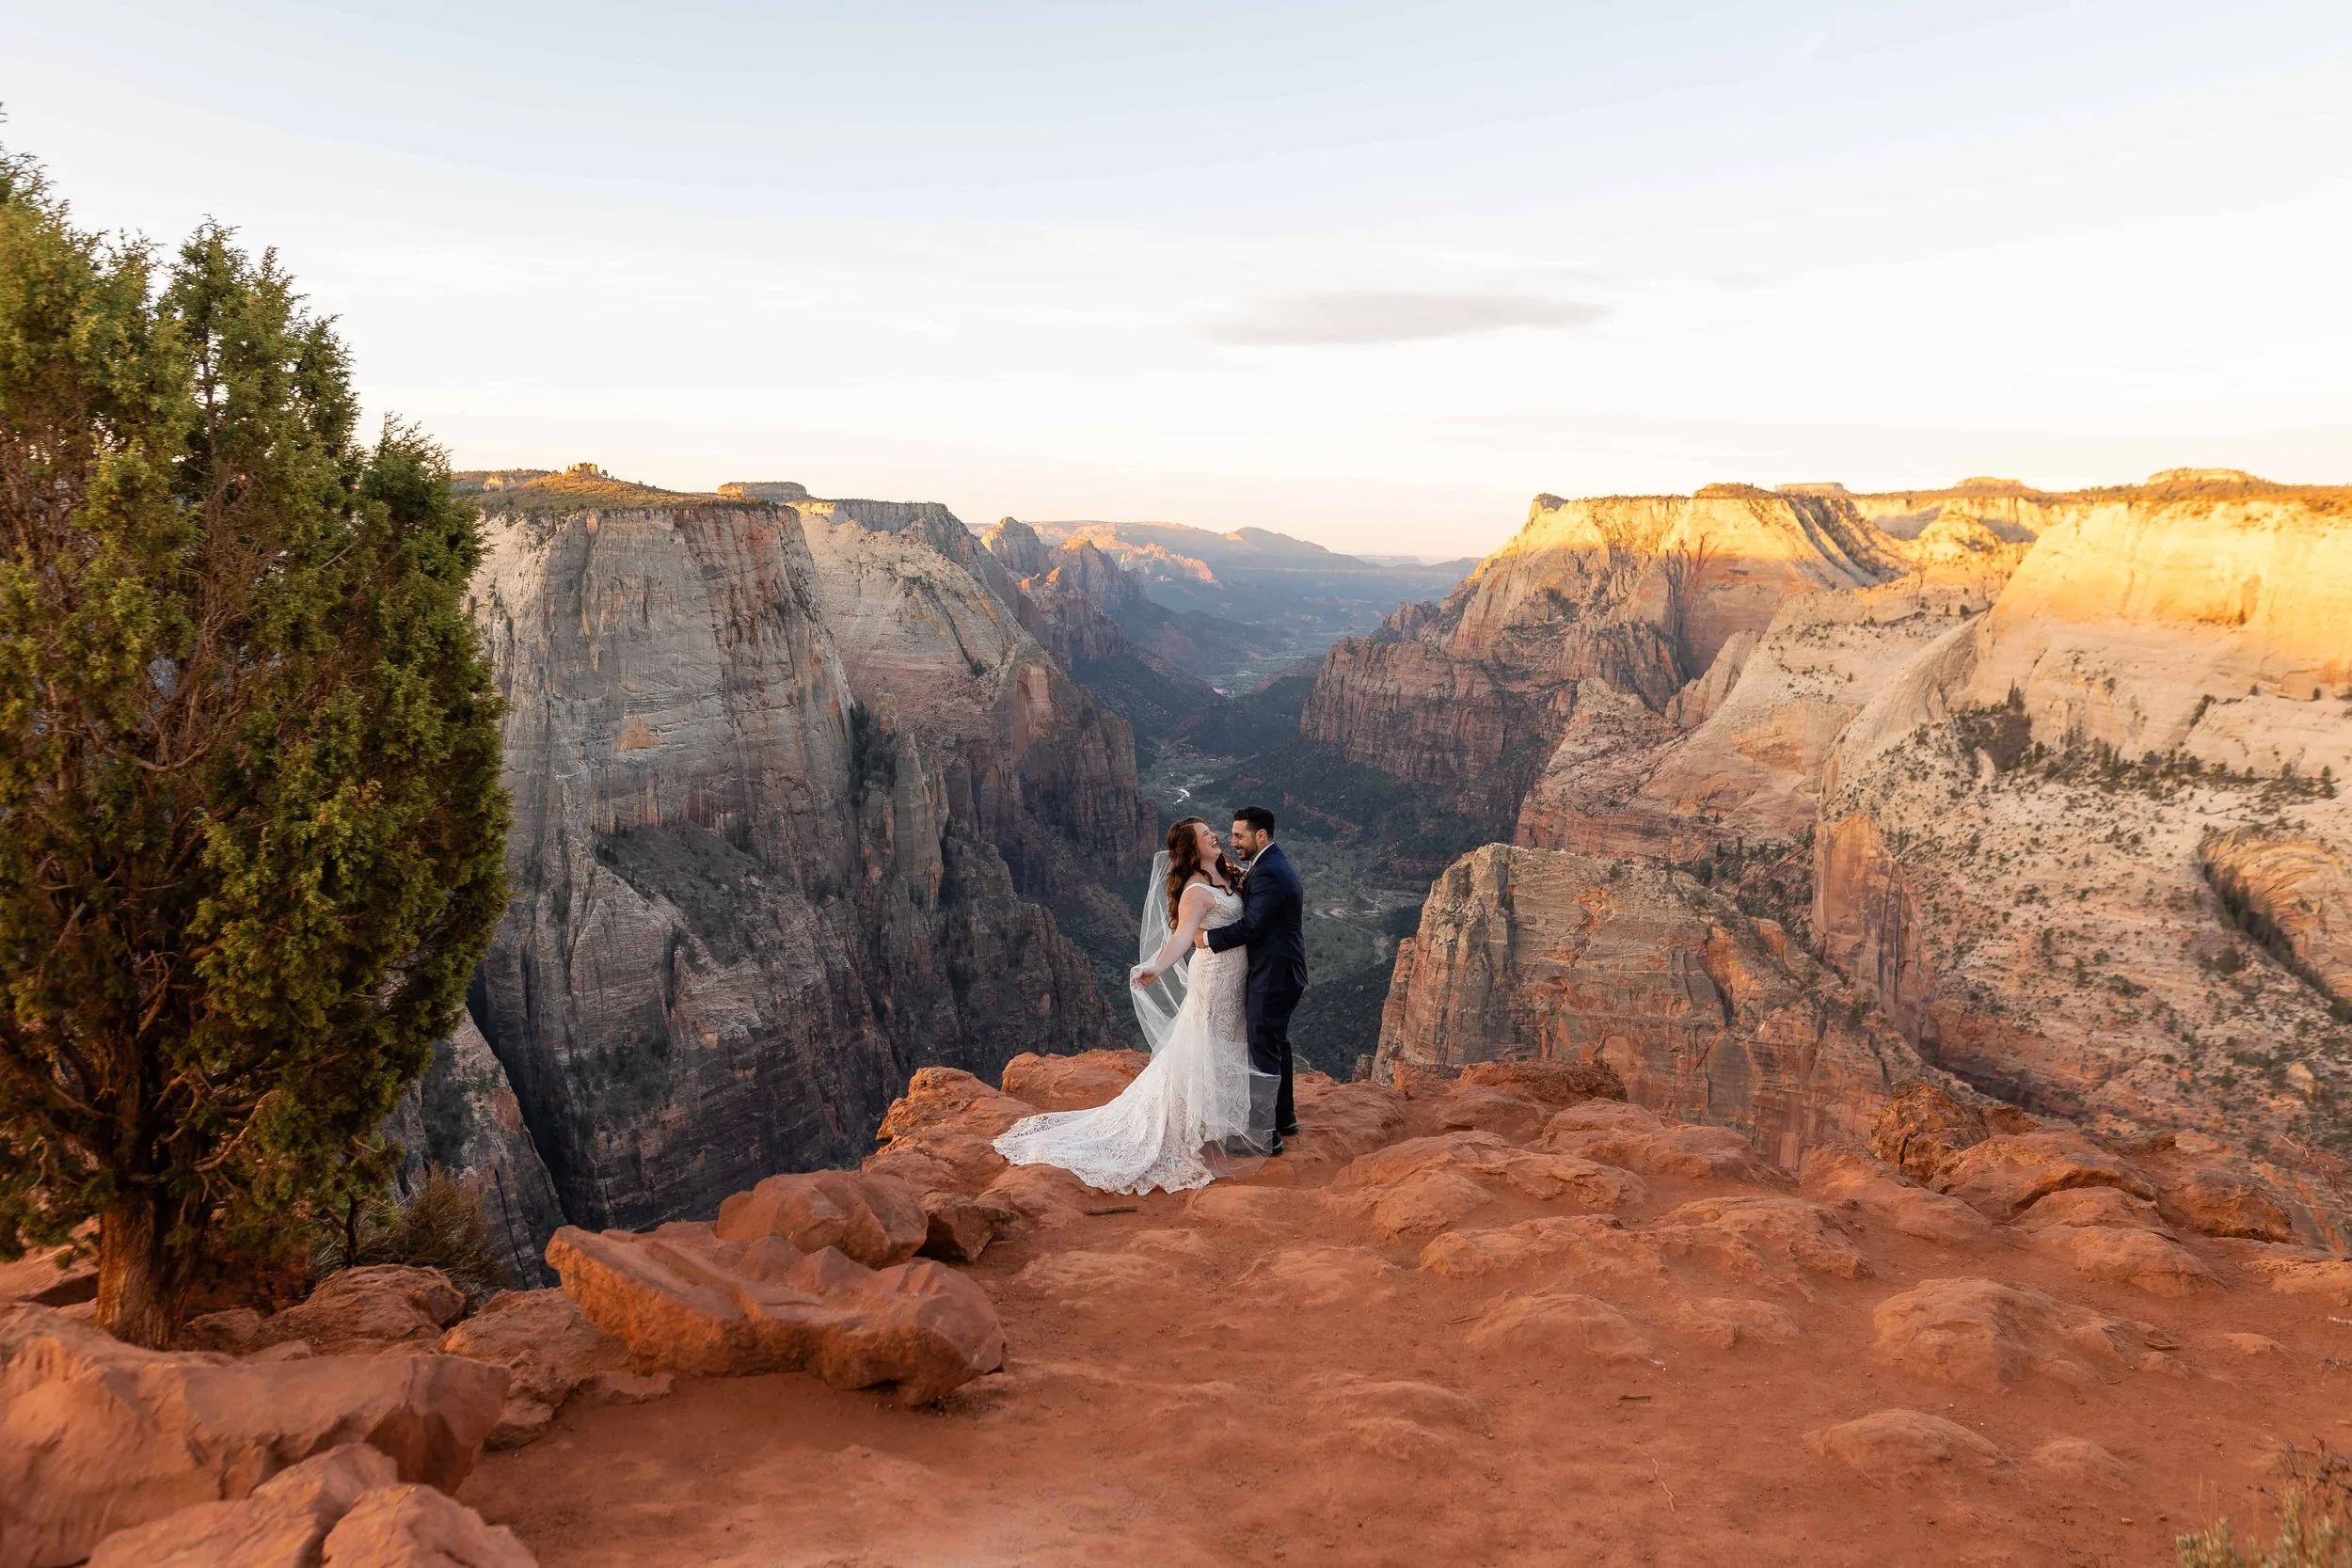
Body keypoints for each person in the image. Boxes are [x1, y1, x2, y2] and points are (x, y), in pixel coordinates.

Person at [991, 817, 1268, 1193]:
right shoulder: (1196, 891)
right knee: (1205, 1042)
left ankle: (1213, 1121)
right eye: (1206, 835)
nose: (1214, 836)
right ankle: (1187, 1126)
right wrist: (1155, 967)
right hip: (1215, 977)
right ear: (1192, 848)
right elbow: (1182, 938)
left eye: (1211, 831)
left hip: (1237, 975)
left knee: (1226, 1041)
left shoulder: (1227, 875)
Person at [1195, 805, 1307, 1152]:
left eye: (1239, 836)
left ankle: (1264, 1136)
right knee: (1276, 1044)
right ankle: (1284, 1119)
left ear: (1261, 836)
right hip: (1283, 972)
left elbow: (1254, 926)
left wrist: (1209, 940)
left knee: (1263, 1050)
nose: (1232, 842)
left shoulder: (1270, 872)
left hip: (1273, 976)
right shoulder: (1269, 865)